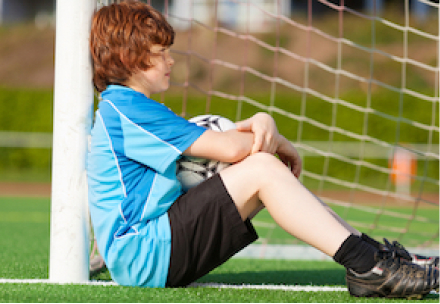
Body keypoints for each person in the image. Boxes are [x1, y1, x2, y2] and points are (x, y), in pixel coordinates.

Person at [87, 0, 439, 298]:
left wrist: (264, 125)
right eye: (160, 53)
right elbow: (229, 148)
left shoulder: (126, 108)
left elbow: (224, 145)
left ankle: (374, 257)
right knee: (261, 169)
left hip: (150, 251)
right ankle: (368, 266)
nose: (170, 61)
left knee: (264, 169)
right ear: (130, 58)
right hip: (145, 254)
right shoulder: (128, 109)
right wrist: (270, 130)